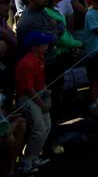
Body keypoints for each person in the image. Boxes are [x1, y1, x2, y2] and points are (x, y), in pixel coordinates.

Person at [15, 29, 53, 173]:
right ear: (35, 46)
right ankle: (26, 162)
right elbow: (29, 90)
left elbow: (41, 84)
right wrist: (43, 104)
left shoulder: (39, 59)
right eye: (44, 43)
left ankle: (34, 157)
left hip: (38, 96)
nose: (47, 45)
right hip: (28, 99)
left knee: (46, 127)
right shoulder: (27, 63)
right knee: (39, 129)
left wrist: (47, 97)